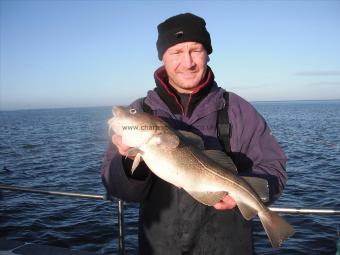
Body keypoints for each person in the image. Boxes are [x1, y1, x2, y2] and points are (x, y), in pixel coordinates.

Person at [102, 13, 287, 255]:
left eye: (196, 50)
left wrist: (245, 195)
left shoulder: (237, 109)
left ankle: (271, 222)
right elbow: (117, 189)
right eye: (176, 52)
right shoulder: (142, 110)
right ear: (162, 58)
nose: (187, 62)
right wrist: (127, 163)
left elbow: (273, 168)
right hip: (160, 248)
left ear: (208, 53)